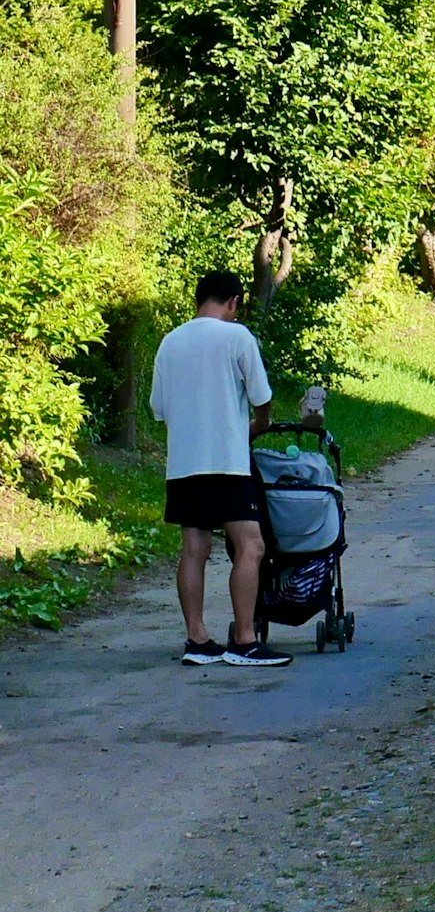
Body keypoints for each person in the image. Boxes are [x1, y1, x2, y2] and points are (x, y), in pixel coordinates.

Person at [151, 270, 292, 667]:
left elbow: (159, 408)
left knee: (194, 549)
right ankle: (245, 640)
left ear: (199, 300)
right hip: (227, 462)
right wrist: (259, 423)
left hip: (183, 464)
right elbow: (261, 396)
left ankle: (197, 639)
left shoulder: (170, 342)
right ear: (233, 301)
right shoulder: (237, 337)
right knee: (251, 545)